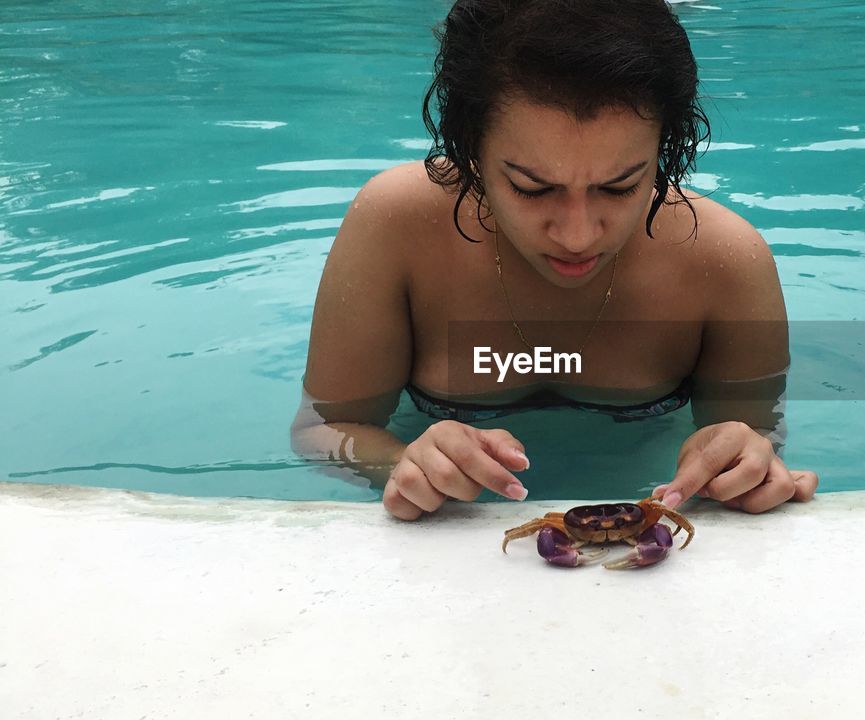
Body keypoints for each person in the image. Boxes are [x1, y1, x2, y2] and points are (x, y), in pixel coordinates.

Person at [291, 0, 818, 519]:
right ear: (468, 147)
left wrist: (748, 463)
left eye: (621, 187)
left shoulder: (724, 262)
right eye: (531, 187)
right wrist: (405, 462)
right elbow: (324, 429)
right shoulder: (397, 227)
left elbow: (753, 440)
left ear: (667, 150)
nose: (577, 234)